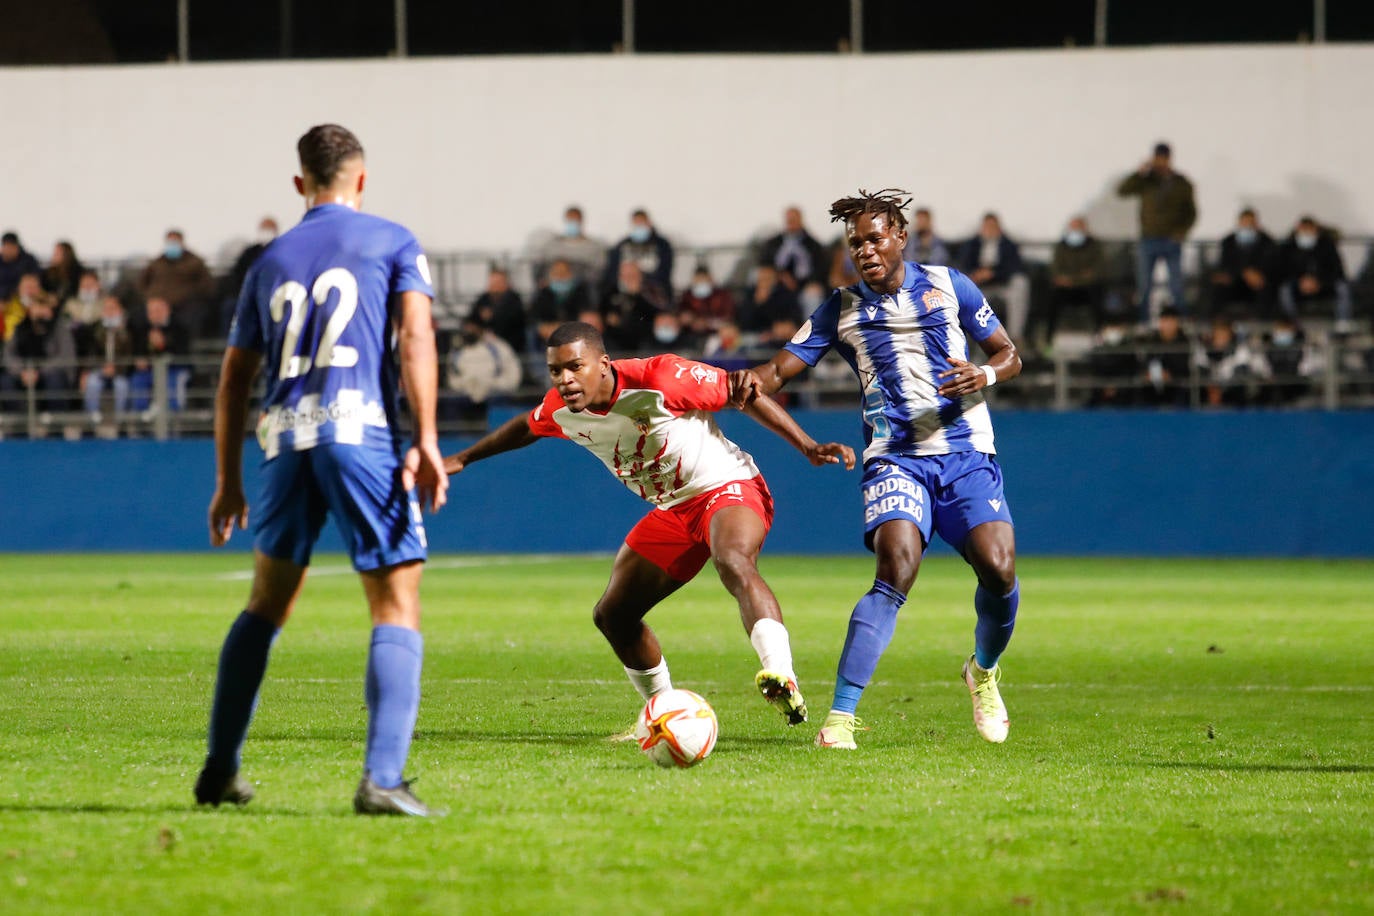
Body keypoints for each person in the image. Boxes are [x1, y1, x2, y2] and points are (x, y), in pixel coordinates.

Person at [198, 123, 448, 818]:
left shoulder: (269, 260)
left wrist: (228, 481)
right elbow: (416, 337)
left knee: (265, 604)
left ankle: (220, 769)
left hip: (284, 440)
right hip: (359, 432)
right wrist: (427, 437)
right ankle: (382, 779)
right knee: (396, 602)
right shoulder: (393, 241)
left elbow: (233, 379)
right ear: (361, 179)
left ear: (299, 183)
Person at [442, 321, 855, 733]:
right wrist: (463, 458)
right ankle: (665, 713)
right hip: (673, 510)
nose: (565, 380)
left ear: (603, 364)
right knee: (613, 615)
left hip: (726, 486)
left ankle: (781, 674)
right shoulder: (560, 410)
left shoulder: (660, 378)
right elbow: (524, 427)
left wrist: (807, 445)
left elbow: (741, 391)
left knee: (732, 559)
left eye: (575, 367)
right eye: (555, 371)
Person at [730, 188, 1023, 749]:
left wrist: (984, 375)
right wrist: (747, 379)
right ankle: (841, 719)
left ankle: (983, 671)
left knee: (999, 568)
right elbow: (778, 371)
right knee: (897, 565)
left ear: (900, 237)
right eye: (854, 243)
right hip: (895, 458)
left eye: (874, 238)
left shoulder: (950, 285)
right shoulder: (840, 308)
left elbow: (1009, 354)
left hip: (966, 453)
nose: (864, 250)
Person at [1115, 141, 1197, 321]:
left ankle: (1179, 322)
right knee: (1145, 286)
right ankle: (1144, 322)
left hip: (1172, 240)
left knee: (1176, 286)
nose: (1160, 162)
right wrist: (1139, 173)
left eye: (1163, 158)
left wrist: (1181, 232)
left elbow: (1191, 212)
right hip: (1148, 239)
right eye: (1157, 158)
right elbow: (1122, 191)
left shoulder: (1181, 183)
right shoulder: (1146, 181)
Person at [2, 274, 76, 413]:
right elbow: (9, 354)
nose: (39, 310)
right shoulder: (21, 327)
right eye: (36, 306)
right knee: (6, 382)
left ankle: (55, 423)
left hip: (49, 374)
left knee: (54, 380)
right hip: (23, 374)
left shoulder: (59, 327)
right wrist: (21, 372)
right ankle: (19, 423)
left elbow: (65, 357)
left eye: (43, 305)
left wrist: (39, 372)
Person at [956, 211, 1031, 346]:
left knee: (1021, 283)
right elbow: (964, 265)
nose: (990, 230)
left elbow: (1014, 267)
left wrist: (993, 273)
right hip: (980, 287)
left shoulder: (1008, 245)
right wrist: (977, 274)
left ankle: (1015, 336)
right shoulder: (972, 245)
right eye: (987, 227)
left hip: (1003, 285)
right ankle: (967, 339)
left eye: (993, 227)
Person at [1274, 216, 1353, 326]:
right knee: (1284, 290)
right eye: (1304, 230)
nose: (1307, 233)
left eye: (1310, 230)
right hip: (1297, 285)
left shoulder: (1327, 246)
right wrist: (1300, 281)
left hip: (1324, 284)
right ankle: (1292, 324)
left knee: (1342, 287)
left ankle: (1343, 322)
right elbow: (1282, 270)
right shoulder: (1288, 247)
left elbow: (1337, 269)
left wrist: (1319, 281)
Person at [445, 313, 522, 423]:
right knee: (450, 404)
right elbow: (452, 376)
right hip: (465, 395)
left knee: (500, 408)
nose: (469, 331)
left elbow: (513, 374)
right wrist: (466, 386)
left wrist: (494, 384)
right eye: (467, 327)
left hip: (494, 392)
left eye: (473, 327)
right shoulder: (457, 350)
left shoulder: (498, 347)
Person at [1043, 215, 1108, 344]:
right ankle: (1048, 340)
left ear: (1085, 229)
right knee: (1052, 299)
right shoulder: (1061, 247)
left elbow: (1098, 271)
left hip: (1087, 289)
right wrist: (1073, 278)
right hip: (1065, 290)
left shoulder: (1094, 246)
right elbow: (1055, 270)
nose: (1075, 232)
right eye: (1073, 228)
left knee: (1097, 295)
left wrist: (1072, 280)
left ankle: (1099, 338)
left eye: (1078, 228)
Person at [137, 227, 215, 334]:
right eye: (170, 242)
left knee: (189, 317)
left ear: (182, 243)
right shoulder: (156, 263)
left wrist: (188, 296)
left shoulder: (195, 262)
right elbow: (142, 283)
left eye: (175, 242)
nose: (172, 245)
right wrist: (151, 299)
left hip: (183, 305)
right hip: (155, 303)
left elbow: (206, 285)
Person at [128, 296, 192, 415]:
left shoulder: (180, 327)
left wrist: (163, 345)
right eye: (151, 312)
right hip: (150, 370)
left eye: (157, 310)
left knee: (173, 382)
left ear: (167, 310)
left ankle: (174, 417)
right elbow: (138, 351)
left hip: (175, 369)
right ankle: (141, 417)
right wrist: (141, 360)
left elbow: (183, 354)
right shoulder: (143, 328)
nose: (154, 315)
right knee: (138, 379)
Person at [1209, 208, 1277, 319]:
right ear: (1239, 223)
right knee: (1218, 286)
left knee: (1267, 288)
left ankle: (1262, 324)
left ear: (1256, 224)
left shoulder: (1267, 242)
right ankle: (1215, 323)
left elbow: (1271, 264)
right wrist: (1243, 273)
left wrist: (1259, 275)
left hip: (1258, 282)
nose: (1248, 226)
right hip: (1234, 281)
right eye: (1245, 223)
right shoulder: (1228, 241)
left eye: (1251, 223)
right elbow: (1224, 264)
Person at [219, 216, 279, 335]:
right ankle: (230, 341)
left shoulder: (282, 251)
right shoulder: (250, 252)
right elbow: (237, 274)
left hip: (274, 293)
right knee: (230, 306)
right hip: (248, 293)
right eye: (264, 229)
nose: (266, 233)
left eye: (269, 229)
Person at [81, 294, 133, 424]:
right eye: (106, 309)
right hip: (100, 370)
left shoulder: (128, 332)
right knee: (92, 383)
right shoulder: (96, 331)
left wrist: (116, 368)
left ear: (120, 311)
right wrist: (101, 368)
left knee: (121, 386)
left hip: (121, 372)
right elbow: (92, 354)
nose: (109, 312)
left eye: (113, 308)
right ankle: (92, 422)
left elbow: (129, 356)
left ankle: (120, 423)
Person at [601, 208, 674, 300]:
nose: (639, 226)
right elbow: (612, 271)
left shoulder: (662, 245)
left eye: (641, 223)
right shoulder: (623, 245)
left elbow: (665, 272)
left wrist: (641, 281)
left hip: (653, 292)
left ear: (649, 223)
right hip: (625, 292)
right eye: (636, 223)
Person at [532, 204, 605, 287]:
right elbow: (541, 268)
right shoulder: (552, 246)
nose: (572, 223)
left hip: (582, 289)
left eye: (575, 220)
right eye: (570, 220)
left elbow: (598, 273)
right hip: (552, 287)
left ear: (581, 221)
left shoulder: (594, 247)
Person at [530, 258, 593, 347]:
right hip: (547, 336)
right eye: (556, 273)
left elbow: (586, 314)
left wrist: (563, 327)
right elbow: (533, 316)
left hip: (575, 334)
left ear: (570, 274)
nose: (560, 277)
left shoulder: (581, 292)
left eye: (563, 273)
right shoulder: (543, 293)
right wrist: (542, 327)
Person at [759, 205, 827, 288]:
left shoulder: (813, 245)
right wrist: (780, 275)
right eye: (789, 220)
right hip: (776, 283)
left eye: (793, 220)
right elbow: (765, 263)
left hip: (805, 284)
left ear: (800, 220)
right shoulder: (773, 243)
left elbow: (820, 268)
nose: (791, 223)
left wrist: (812, 282)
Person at [1138, 306, 1192, 407]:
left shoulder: (1185, 342)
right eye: (1165, 321)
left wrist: (1171, 375)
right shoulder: (1152, 341)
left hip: (1177, 384)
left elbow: (1185, 366)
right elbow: (1146, 362)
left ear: (1177, 323)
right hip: (1154, 384)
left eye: (1171, 321)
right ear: (1160, 323)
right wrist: (1147, 373)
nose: (1168, 325)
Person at [468, 265, 528, 355]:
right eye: (492, 282)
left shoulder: (514, 299)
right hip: (483, 345)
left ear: (505, 283)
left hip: (510, 347)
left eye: (497, 282)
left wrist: (492, 317)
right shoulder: (484, 298)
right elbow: (472, 318)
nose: (493, 285)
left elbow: (511, 322)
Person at [676, 264, 735, 337]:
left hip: (716, 333)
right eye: (698, 280)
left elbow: (728, 318)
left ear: (711, 279)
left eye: (704, 280)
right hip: (691, 333)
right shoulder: (687, 295)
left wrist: (707, 323)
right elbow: (681, 315)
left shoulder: (722, 295)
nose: (701, 283)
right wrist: (688, 319)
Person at [0, 230, 41, 303]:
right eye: (6, 246)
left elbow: (35, 279)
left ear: (17, 247)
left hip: (24, 298)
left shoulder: (28, 260)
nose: (8, 250)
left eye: (11, 247)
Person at [42, 240, 86, 305]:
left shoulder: (78, 272)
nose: (53, 256)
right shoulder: (48, 273)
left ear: (66, 255)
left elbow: (76, 292)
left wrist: (59, 299)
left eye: (57, 253)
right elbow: (43, 290)